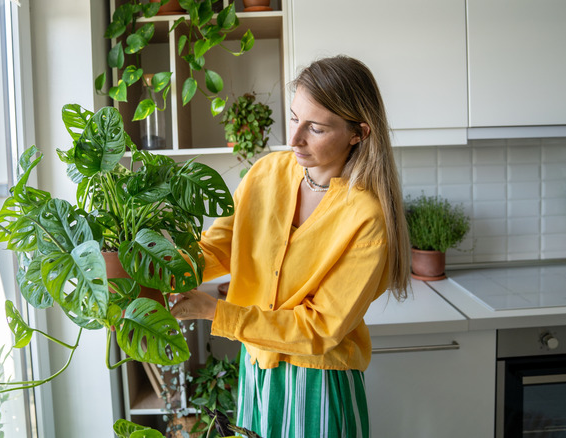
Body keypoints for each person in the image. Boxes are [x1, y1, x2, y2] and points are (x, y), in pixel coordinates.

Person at [170, 55, 410, 438]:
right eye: (295, 118)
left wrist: (214, 312)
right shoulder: (266, 173)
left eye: (315, 128)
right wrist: (157, 267)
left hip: (317, 381)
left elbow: (318, 329)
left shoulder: (366, 218)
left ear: (358, 133)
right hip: (257, 366)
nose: (294, 138)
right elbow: (220, 247)